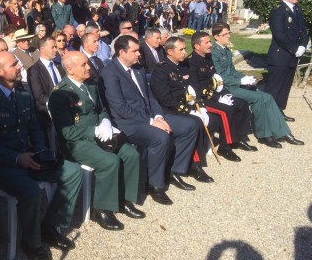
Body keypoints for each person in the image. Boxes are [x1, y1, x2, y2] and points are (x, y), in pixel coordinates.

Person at [0, 51, 82, 259]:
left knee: (73, 171)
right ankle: (31, 243)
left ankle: (48, 226)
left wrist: (42, 153)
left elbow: (35, 130)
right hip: (2, 166)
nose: (20, 66)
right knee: (30, 192)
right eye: (14, 64)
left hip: (30, 158)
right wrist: (16, 158)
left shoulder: (23, 95)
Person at [48, 51, 144, 231]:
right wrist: (95, 130)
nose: (89, 67)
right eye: (84, 65)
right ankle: (102, 209)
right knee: (110, 161)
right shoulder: (60, 94)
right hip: (76, 143)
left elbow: (100, 110)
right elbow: (67, 132)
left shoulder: (90, 84)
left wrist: (106, 121)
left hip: (100, 135)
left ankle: (124, 200)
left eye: (88, 63)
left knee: (131, 154)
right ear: (70, 69)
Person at [100, 36, 198, 204]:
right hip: (128, 122)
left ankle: (175, 171)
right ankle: (156, 185)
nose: (139, 54)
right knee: (160, 137)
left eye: (139, 50)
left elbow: (149, 96)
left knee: (190, 125)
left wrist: (158, 116)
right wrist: (152, 122)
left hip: (149, 116)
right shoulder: (110, 73)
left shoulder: (137, 68)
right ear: (122, 52)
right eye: (135, 51)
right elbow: (121, 109)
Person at [211, 22, 303, 148]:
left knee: (267, 97)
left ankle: (283, 132)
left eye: (229, 33)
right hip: (226, 88)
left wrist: (245, 77)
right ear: (216, 37)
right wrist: (240, 81)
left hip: (234, 84)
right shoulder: (214, 52)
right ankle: (264, 135)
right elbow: (219, 76)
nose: (228, 36)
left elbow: (232, 71)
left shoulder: (225, 49)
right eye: (225, 34)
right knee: (259, 98)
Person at [151, 37, 219, 183]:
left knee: (210, 119)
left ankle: (195, 162)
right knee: (195, 123)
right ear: (169, 51)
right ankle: (193, 166)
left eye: (184, 48)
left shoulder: (184, 65)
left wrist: (200, 105)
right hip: (169, 110)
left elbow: (194, 87)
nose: (185, 52)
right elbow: (165, 99)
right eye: (181, 49)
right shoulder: (161, 69)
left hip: (186, 105)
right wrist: (188, 109)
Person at [188, 32, 256, 157]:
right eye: (207, 42)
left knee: (241, 104)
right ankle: (225, 146)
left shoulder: (208, 58)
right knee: (227, 110)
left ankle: (238, 138)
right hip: (203, 99)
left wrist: (225, 94)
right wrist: (218, 98)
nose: (210, 45)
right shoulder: (191, 62)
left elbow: (216, 80)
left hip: (216, 94)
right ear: (197, 46)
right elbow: (196, 89)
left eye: (210, 41)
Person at [264, 0, 308, 121]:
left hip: (292, 57)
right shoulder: (278, 11)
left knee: (285, 88)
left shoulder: (297, 10)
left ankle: (278, 112)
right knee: (274, 88)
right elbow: (279, 34)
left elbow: (304, 31)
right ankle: (267, 116)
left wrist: (302, 46)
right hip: (280, 56)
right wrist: (294, 48)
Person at [28, 36, 65, 146]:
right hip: (48, 116)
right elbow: (39, 96)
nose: (55, 49)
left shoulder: (59, 66)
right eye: (53, 47)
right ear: (43, 49)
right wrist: (57, 106)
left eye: (55, 47)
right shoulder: (34, 70)